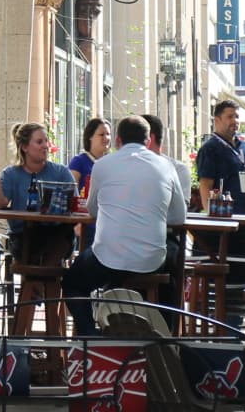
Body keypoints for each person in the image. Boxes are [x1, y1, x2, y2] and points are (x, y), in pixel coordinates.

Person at [62, 116, 185, 334]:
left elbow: (92, 211)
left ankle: (92, 339)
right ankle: (162, 342)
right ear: (148, 141)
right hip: (152, 259)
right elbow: (178, 217)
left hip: (109, 257)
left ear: (118, 140)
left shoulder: (102, 165)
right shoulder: (166, 166)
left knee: (72, 283)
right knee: (170, 280)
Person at [194, 99, 245, 301]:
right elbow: (206, 185)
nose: (235, 121)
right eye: (230, 116)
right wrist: (212, 217)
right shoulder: (211, 149)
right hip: (229, 227)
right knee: (229, 285)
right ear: (217, 120)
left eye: (237, 116)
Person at [0, 122, 75, 261]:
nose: (45, 145)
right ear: (24, 147)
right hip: (23, 236)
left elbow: (76, 205)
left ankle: (39, 281)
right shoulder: (11, 174)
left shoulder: (61, 172)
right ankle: (46, 281)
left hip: (57, 233)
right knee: (37, 249)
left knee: (59, 239)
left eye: (46, 141)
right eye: (39, 142)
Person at [142, 113, 190, 319]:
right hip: (127, 236)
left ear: (148, 139)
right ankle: (116, 327)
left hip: (165, 236)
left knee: (168, 262)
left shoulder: (177, 169)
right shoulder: (127, 167)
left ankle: (165, 334)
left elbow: (179, 216)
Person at [70, 118, 112, 246]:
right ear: (90, 137)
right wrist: (76, 223)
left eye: (108, 134)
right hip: (86, 223)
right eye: (101, 134)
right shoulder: (79, 161)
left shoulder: (112, 162)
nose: (106, 138)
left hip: (108, 222)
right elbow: (71, 192)